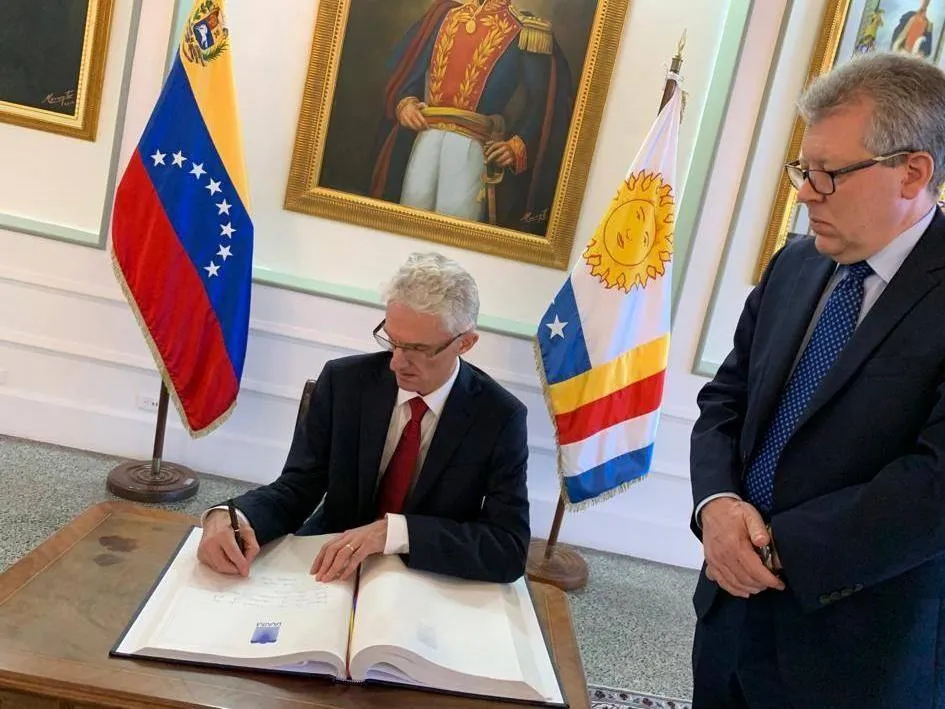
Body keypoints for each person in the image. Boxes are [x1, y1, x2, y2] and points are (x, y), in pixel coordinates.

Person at [689, 52, 945, 707]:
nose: (805, 193)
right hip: (728, 615)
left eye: (829, 173)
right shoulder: (795, 263)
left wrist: (776, 552)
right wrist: (715, 506)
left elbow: (934, 481)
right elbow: (725, 400)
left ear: (913, 172)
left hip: (857, 650)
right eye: (804, 170)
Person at [197, 253, 530, 584]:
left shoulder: (500, 417)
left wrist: (394, 532)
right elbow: (298, 487)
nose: (396, 362)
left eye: (417, 349)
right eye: (393, 342)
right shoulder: (344, 382)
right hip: (329, 556)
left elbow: (508, 547)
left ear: (465, 343)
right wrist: (234, 515)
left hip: (425, 576)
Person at [369, 0, 573, 236]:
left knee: (455, 231)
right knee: (406, 222)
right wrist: (405, 103)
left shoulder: (525, 30)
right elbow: (406, 74)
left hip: (471, 147)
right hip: (425, 138)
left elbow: (544, 101)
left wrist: (518, 144)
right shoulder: (443, 16)